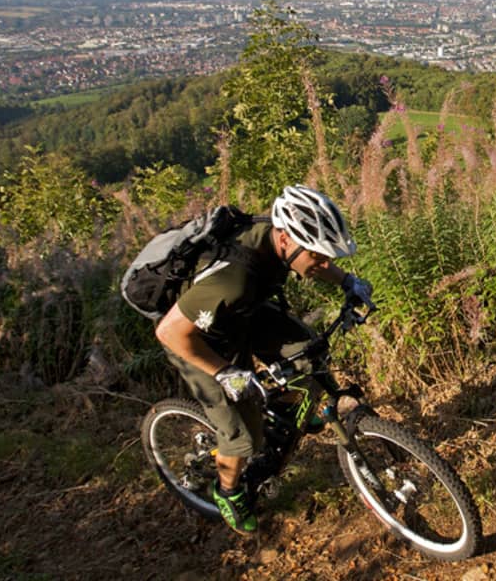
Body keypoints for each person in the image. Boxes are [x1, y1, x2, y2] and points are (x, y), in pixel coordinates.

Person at [154, 185, 373, 534]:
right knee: (242, 437)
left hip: (241, 314)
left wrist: (349, 282)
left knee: (307, 352)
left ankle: (285, 414)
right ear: (286, 239)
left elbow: (320, 267)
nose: (323, 263)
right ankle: (227, 491)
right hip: (198, 341)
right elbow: (169, 333)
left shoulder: (276, 241)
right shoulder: (233, 280)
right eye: (316, 255)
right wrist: (225, 372)